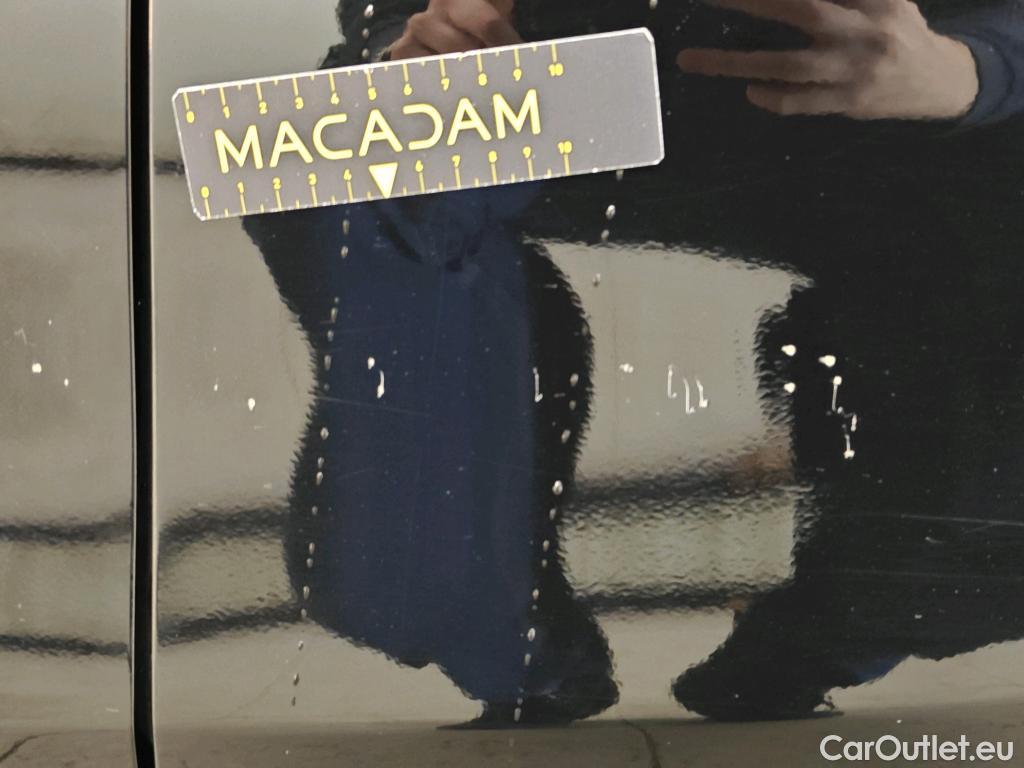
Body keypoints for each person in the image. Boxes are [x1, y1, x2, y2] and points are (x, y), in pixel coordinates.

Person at [246, 0, 1024, 725]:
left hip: (908, 101)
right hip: (560, 79)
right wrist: (412, 38)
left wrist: (976, 67)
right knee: (312, 141)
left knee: (956, 563)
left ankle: (898, 589)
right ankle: (461, 605)